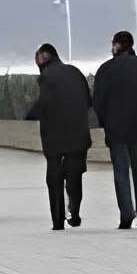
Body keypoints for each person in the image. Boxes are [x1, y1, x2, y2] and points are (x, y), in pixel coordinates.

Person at [92, 30, 137, 228]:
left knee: (121, 171)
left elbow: (99, 102)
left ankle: (127, 213)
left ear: (116, 45)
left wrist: (106, 123)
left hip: (116, 129)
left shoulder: (105, 69)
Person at [25, 42, 94, 229]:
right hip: (78, 133)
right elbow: (88, 101)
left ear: (44, 57)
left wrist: (30, 114)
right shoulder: (75, 72)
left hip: (55, 136)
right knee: (75, 176)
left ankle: (58, 220)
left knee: (54, 177)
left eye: (37, 58)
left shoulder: (47, 76)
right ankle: (75, 213)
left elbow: (44, 102)